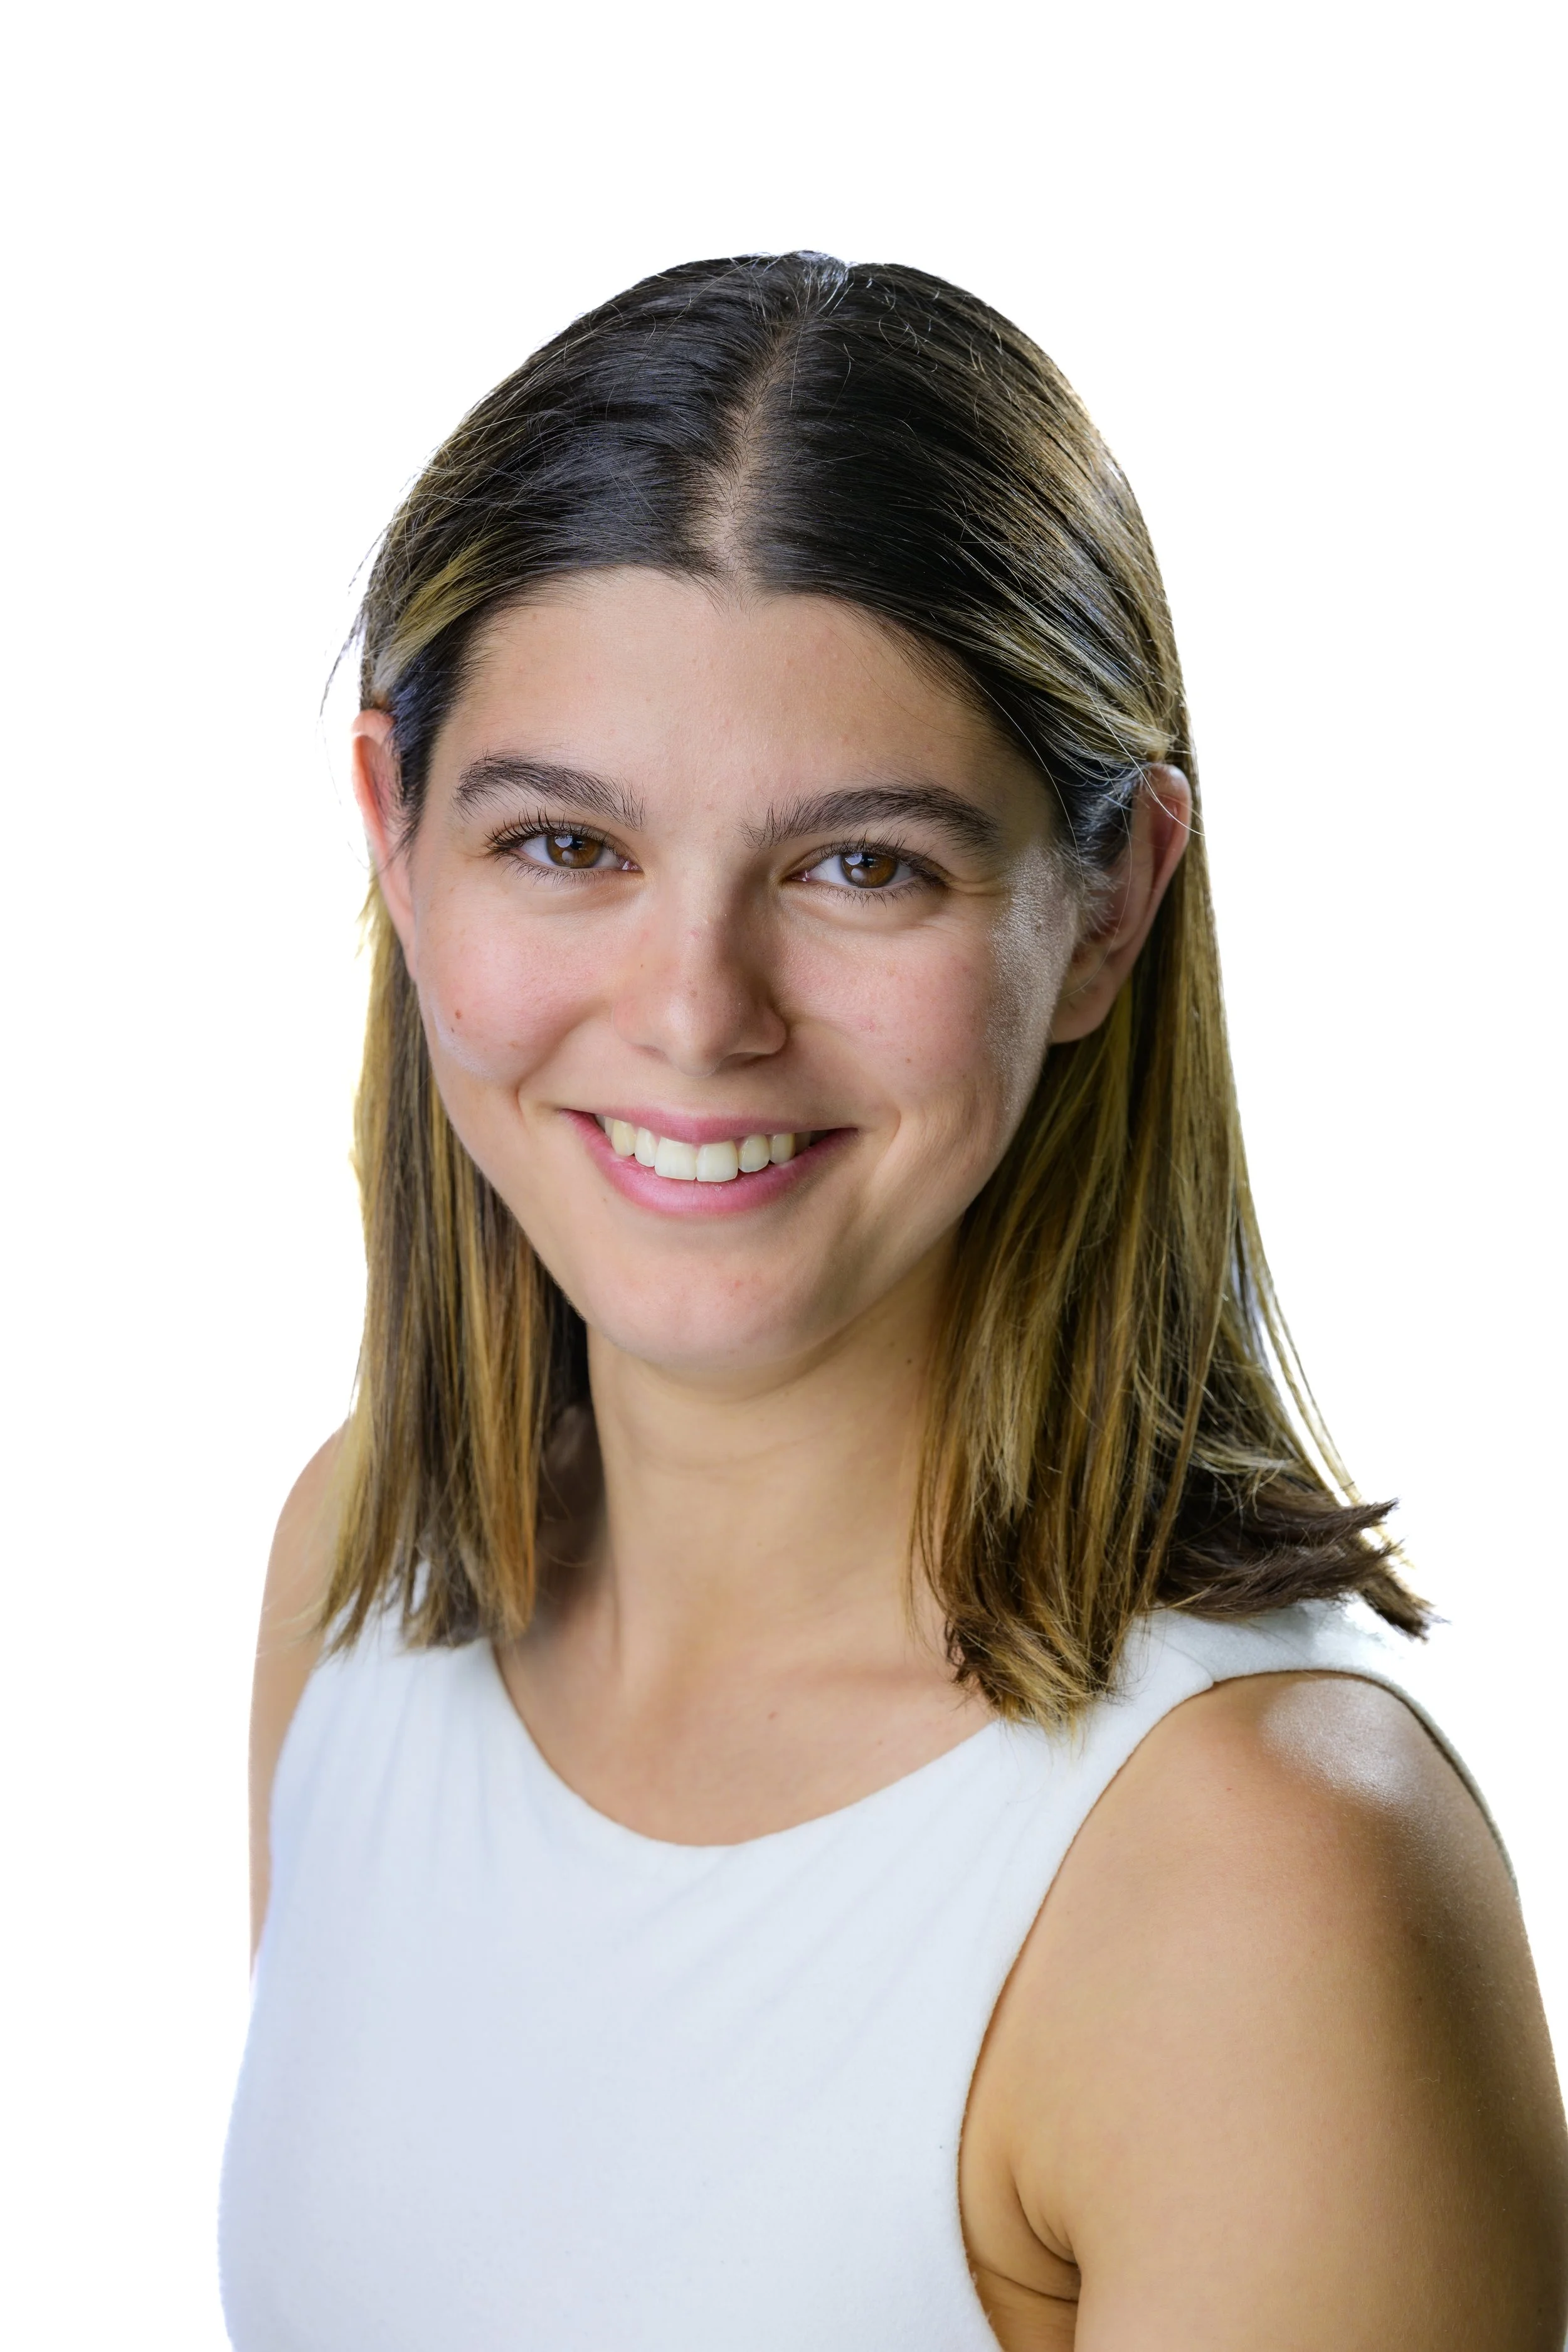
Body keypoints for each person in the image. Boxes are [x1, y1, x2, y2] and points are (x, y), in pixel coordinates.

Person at [219, 253, 1567, 2351]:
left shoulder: (1253, 1879)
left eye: (864, 867)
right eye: (565, 842)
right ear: (396, 834)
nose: (692, 1015)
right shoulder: (364, 1573)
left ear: (1108, 907)